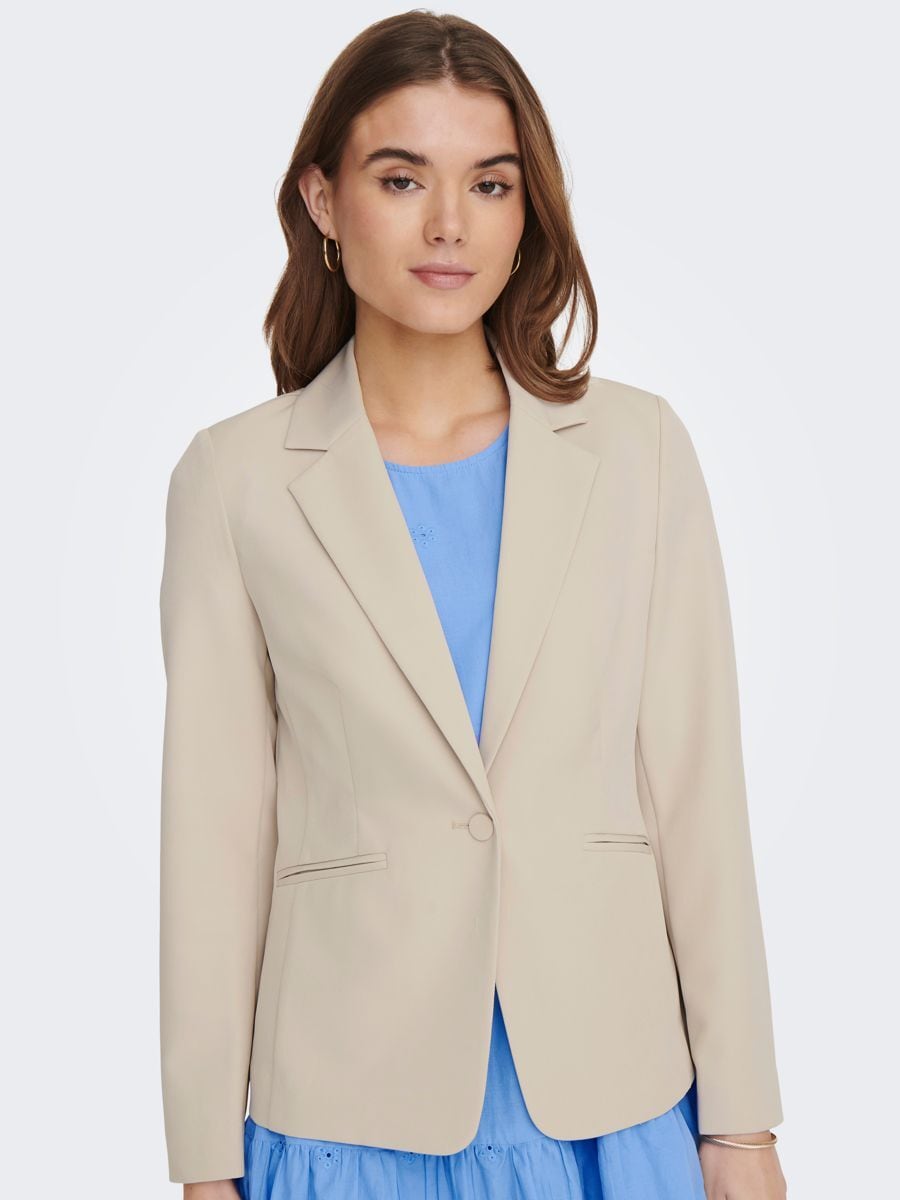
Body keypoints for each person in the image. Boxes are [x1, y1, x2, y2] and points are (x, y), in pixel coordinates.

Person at [158, 11, 788, 1199]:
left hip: (611, 1105)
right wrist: (202, 1163)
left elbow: (699, 796)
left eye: (490, 184)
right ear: (324, 200)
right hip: (347, 1114)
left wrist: (743, 1125)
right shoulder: (234, 482)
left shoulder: (640, 452)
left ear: (526, 209)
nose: (450, 222)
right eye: (402, 179)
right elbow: (215, 839)